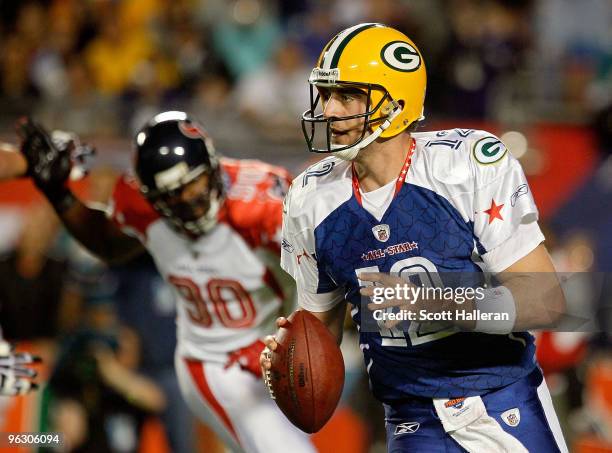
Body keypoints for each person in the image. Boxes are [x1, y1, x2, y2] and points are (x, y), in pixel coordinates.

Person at [261, 23, 569, 452]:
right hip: (411, 418)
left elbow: (546, 300)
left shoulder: (466, 166)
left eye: (348, 95)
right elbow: (319, 329)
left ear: (397, 102)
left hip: (501, 403)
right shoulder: (310, 198)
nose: (329, 110)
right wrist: (290, 355)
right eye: (326, 94)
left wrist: (438, 303)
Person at [16, 112, 314, 453]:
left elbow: (325, 265)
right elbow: (109, 243)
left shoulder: (262, 200)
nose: (188, 199)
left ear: (213, 167)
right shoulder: (141, 208)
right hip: (216, 363)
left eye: (193, 183)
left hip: (281, 352)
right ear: (152, 196)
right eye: (172, 194)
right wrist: (60, 196)